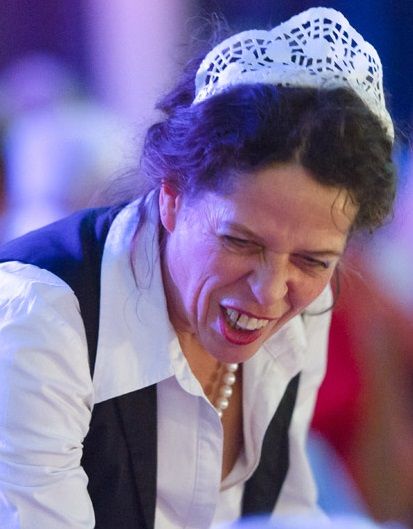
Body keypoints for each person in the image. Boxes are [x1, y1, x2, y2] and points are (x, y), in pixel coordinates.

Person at [0, 7, 396, 529]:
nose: (270, 291)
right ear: (171, 198)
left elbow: (284, 515)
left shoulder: (308, 302)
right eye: (239, 241)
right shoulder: (38, 317)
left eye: (312, 260)